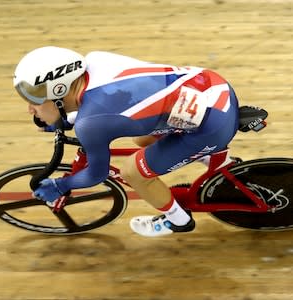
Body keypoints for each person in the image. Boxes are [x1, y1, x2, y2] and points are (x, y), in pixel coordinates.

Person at [13, 46, 239, 237]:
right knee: (141, 138)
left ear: (59, 91)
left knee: (133, 171)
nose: (29, 109)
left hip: (213, 123)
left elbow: (96, 174)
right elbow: (109, 101)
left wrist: (61, 185)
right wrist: (64, 117)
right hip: (211, 86)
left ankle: (178, 220)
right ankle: (210, 157)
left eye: (35, 100)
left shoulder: (90, 125)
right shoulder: (95, 60)